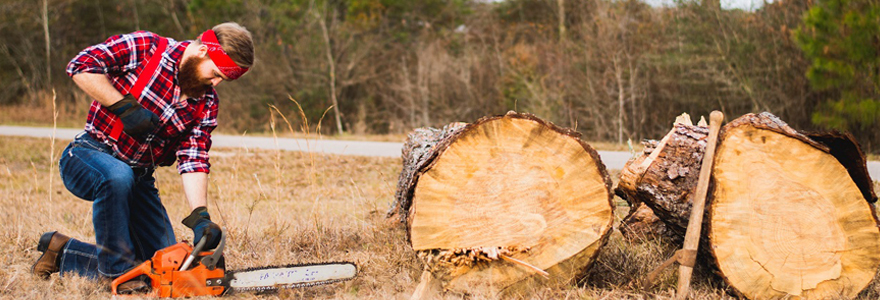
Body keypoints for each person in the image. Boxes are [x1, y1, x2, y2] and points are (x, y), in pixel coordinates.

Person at [31, 22, 254, 293]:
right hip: (88, 154)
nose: (216, 83)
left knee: (167, 272)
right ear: (203, 50)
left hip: (139, 178)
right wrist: (123, 106)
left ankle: (62, 251)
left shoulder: (206, 103)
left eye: (223, 80)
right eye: (216, 74)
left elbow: (193, 157)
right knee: (117, 176)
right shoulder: (147, 48)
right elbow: (80, 65)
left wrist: (200, 216)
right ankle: (115, 275)